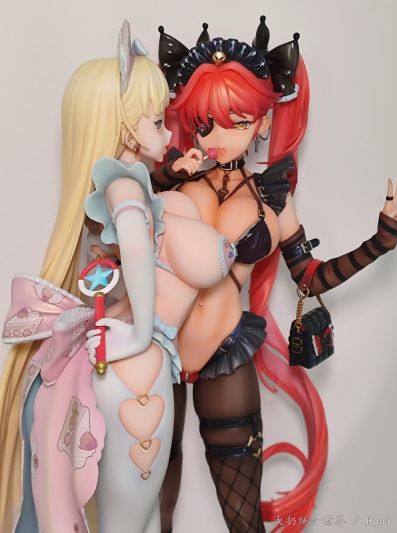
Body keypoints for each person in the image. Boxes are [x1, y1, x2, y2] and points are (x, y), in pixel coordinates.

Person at [152, 18, 397, 533]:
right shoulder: (171, 178)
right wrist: (161, 176)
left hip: (224, 352)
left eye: (236, 121)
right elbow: (117, 224)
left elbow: (308, 277)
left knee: (243, 520)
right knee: (152, 509)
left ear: (262, 123)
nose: (218, 137)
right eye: (204, 123)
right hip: (158, 346)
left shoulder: (273, 197)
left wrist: (381, 241)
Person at [0, 20, 236, 533]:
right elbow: (134, 247)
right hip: (136, 361)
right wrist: (140, 332)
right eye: (156, 121)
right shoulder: (124, 192)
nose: (168, 133)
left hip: (106, 353)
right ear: (127, 130)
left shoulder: (110, 191)